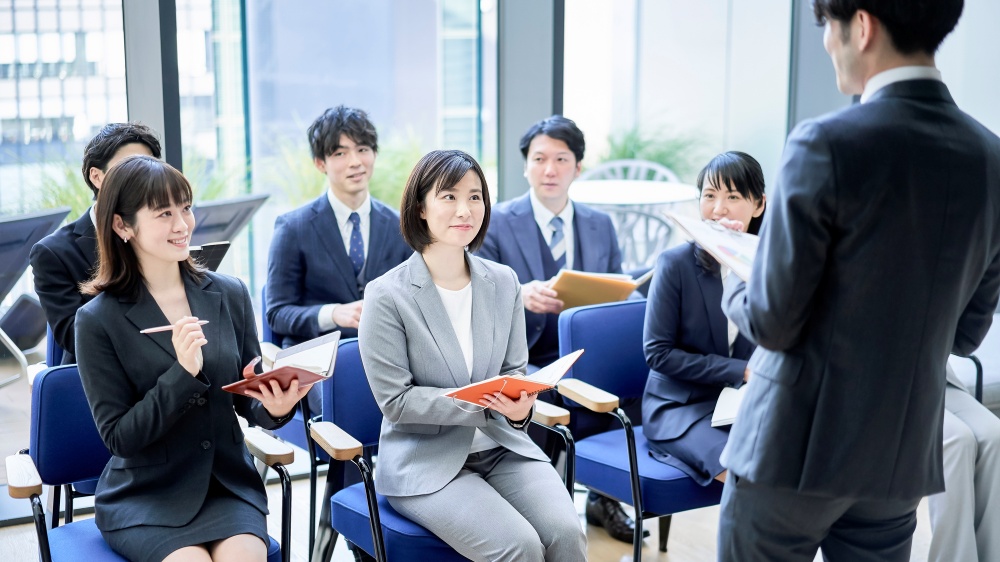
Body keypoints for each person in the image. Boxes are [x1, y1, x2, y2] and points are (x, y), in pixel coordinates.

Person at [717, 1, 1000, 560]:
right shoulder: (990, 159)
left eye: (828, 26)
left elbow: (772, 321)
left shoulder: (825, 143)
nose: (826, 43)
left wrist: (732, 269)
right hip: (897, 455)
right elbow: (965, 336)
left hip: (791, 449)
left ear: (862, 25)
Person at [75, 155, 308, 562]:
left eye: (185, 208)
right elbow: (120, 438)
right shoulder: (97, 320)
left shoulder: (229, 293)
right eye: (164, 213)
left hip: (225, 485)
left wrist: (274, 407)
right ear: (122, 225)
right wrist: (182, 373)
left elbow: (246, 396)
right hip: (146, 494)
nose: (182, 224)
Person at [359, 149, 586, 561]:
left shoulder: (503, 281)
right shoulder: (386, 295)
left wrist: (519, 409)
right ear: (421, 208)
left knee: (568, 534)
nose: (465, 209)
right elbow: (396, 402)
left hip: (503, 447)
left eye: (475, 196)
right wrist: (484, 405)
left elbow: (515, 370)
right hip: (425, 462)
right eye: (448, 196)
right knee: (518, 546)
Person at [476, 115, 637, 543]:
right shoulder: (495, 223)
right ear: (525, 165)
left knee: (626, 386)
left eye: (561, 159)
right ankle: (535, 503)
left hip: (586, 357)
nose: (550, 170)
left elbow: (620, 290)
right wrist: (520, 295)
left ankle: (603, 494)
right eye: (539, 158)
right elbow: (475, 298)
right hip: (526, 357)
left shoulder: (600, 225)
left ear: (578, 168)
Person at [265, 105, 410, 416]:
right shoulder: (293, 228)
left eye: (363, 149)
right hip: (317, 361)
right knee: (345, 400)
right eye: (341, 153)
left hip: (384, 355)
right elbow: (277, 313)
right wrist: (334, 314)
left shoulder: (399, 226)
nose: (355, 162)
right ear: (321, 163)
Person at [642, 151, 765, 486]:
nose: (718, 208)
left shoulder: (770, 268)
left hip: (743, 405)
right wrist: (742, 371)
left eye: (733, 197)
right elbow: (659, 354)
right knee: (746, 471)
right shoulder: (675, 264)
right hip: (680, 408)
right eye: (709, 196)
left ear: (758, 205)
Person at [30, 122, 162, 364]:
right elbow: (74, 336)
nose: (142, 178)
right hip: (101, 379)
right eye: (128, 167)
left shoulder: (163, 232)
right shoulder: (53, 253)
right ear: (97, 176)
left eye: (149, 167)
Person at [927, 364, 1000, 562]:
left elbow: (965, 340)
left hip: (934, 370)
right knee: (958, 441)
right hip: (885, 378)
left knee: (994, 436)